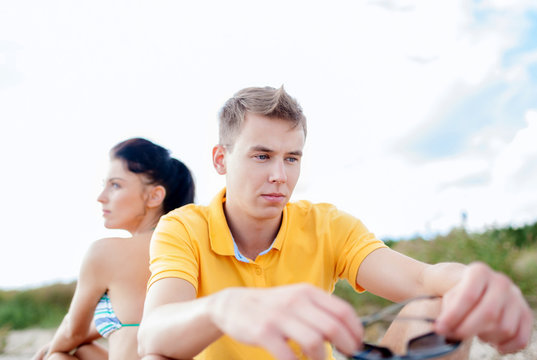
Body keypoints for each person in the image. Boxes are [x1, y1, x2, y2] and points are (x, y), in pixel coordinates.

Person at [137, 87, 533, 360]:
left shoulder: (326, 224)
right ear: (221, 160)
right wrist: (224, 307)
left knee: (438, 307)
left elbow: (422, 280)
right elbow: (153, 331)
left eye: (292, 158)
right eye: (262, 156)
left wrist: (471, 284)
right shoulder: (182, 227)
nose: (280, 174)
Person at [33, 138, 195, 360]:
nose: (101, 198)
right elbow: (83, 337)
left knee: (58, 357)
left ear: (155, 196)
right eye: (105, 185)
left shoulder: (107, 252)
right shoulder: (189, 246)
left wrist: (46, 353)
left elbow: (73, 330)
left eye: (116, 185)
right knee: (83, 350)